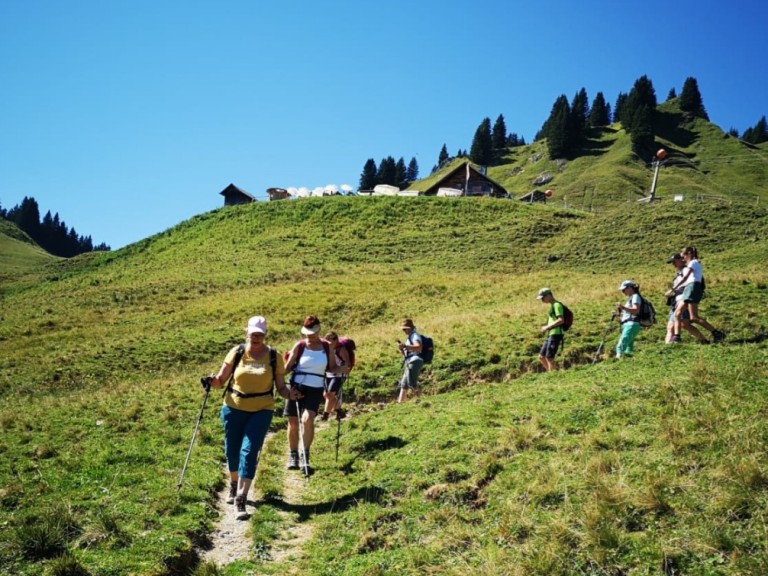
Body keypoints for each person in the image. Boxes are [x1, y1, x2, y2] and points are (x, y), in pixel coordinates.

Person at [205, 315, 292, 520]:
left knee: (250, 451)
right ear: (247, 332)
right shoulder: (237, 352)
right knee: (232, 451)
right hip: (233, 407)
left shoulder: (273, 356)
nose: (256, 337)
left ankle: (241, 498)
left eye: (260, 334)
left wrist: (291, 394)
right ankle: (234, 484)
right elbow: (220, 380)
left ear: (265, 334)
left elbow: (280, 387)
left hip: (262, 409)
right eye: (253, 333)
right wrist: (210, 381)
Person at [283, 315, 336, 472]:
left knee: (307, 419)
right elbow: (286, 368)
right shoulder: (299, 346)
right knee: (293, 421)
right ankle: (293, 455)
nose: (309, 336)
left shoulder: (327, 347)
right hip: (297, 386)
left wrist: (344, 369)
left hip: (316, 388)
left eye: (312, 333)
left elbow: (332, 367)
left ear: (319, 330)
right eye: (307, 333)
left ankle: (305, 454)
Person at [672, 246, 726, 343]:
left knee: (694, 317)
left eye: (683, 256)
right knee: (677, 313)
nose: (682, 259)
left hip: (692, 287)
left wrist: (675, 288)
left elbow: (686, 277)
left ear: (689, 254)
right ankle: (677, 337)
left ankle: (716, 332)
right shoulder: (694, 263)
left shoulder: (693, 262)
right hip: (690, 287)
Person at [664, 253, 707, 344]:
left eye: (674, 261)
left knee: (684, 324)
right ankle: (703, 340)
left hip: (683, 300)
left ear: (681, 260)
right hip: (677, 301)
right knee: (678, 325)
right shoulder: (680, 273)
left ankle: (703, 339)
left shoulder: (687, 270)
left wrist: (673, 290)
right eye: (672, 262)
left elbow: (688, 285)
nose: (673, 264)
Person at [321, 331, 352, 421]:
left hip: (339, 375)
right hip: (329, 374)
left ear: (336, 340)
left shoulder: (341, 349)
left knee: (330, 394)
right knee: (326, 395)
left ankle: (325, 415)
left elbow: (348, 363)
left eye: (331, 339)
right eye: (327, 340)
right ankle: (339, 411)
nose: (329, 342)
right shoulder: (326, 349)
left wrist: (343, 368)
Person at [536, 287, 565, 372]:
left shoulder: (557, 305)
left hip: (556, 334)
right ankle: (551, 373)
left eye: (543, 298)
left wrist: (547, 327)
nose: (542, 300)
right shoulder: (552, 305)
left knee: (549, 357)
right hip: (551, 333)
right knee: (541, 357)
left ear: (549, 295)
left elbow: (561, 320)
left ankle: (553, 375)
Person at [396, 318, 423, 403]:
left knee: (411, 383)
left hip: (414, 361)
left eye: (405, 329)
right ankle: (400, 403)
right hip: (410, 361)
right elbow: (406, 354)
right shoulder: (409, 337)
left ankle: (421, 400)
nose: (404, 331)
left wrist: (406, 347)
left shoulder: (414, 335)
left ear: (409, 328)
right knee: (404, 385)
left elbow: (419, 347)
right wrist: (402, 349)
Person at [616, 280, 642, 358]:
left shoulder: (635, 297)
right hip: (629, 324)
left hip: (631, 324)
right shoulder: (631, 298)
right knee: (629, 347)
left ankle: (618, 361)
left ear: (630, 288)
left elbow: (635, 310)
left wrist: (623, 307)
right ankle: (627, 360)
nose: (623, 291)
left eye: (624, 289)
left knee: (620, 346)